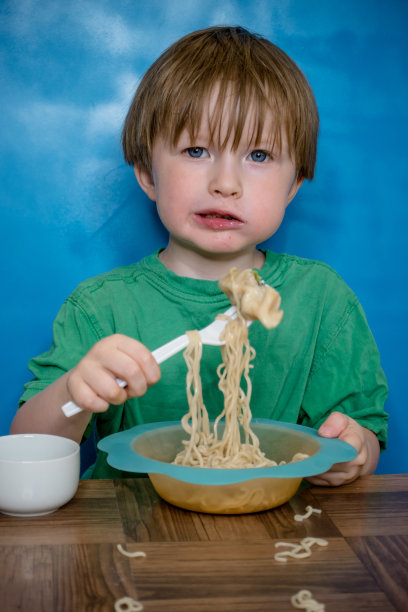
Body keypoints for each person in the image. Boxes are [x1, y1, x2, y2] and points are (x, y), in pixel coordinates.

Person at [11, 26, 388, 485]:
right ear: (148, 175)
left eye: (259, 155)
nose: (226, 183)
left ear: (295, 186)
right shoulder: (100, 308)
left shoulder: (322, 300)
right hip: (129, 537)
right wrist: (74, 391)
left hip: (272, 538)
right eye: (196, 150)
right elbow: (27, 443)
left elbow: (361, 435)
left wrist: (354, 450)